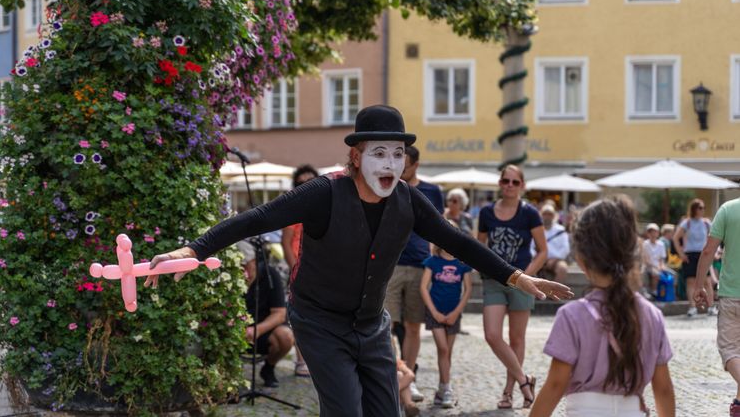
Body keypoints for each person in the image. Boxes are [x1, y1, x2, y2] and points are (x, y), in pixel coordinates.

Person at [145, 105, 573, 417]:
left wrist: (516, 277)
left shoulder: (409, 201)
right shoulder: (324, 193)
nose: (389, 164)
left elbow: (456, 241)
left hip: (370, 324)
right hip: (318, 319)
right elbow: (257, 217)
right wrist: (193, 250)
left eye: (397, 155)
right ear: (356, 156)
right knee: (346, 410)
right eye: (378, 153)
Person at [530, 196, 675, 417]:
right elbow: (663, 389)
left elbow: (555, 385)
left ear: (580, 259)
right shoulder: (652, 315)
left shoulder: (571, 315)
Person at [478, 165, 548, 410]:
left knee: (516, 339)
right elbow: (480, 247)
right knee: (492, 335)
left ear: (522, 186)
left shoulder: (530, 213)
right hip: (494, 280)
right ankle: (524, 379)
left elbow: (543, 250)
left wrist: (525, 277)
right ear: (500, 183)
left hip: (522, 281)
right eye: (505, 181)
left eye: (514, 182)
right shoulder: (486, 212)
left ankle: (508, 393)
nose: (509, 185)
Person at [384, 144, 444, 402]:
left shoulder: (432, 191)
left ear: (416, 165)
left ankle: (409, 378)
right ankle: (392, 377)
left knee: (413, 327)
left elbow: (441, 229)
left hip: (421, 264)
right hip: (391, 265)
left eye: (404, 164)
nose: (399, 169)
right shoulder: (388, 186)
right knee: (387, 325)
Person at [693, 197, 740, 417]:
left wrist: (700, 284)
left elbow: (708, 250)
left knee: (730, 350)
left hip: (732, 295)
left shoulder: (728, 209)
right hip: (731, 295)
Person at [419, 222, 473, 409]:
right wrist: (433, 312)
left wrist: (456, 313)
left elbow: (468, 290)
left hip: (453, 312)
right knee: (442, 349)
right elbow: (423, 287)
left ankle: (442, 390)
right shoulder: (432, 261)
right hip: (435, 311)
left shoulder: (461, 263)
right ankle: (447, 388)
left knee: (447, 353)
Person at [238, 240, 295, 388]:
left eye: (247, 266)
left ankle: (268, 368)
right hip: (234, 330)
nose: (244, 271)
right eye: (239, 266)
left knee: (286, 337)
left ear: (255, 262)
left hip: (261, 331)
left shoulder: (270, 275)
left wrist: (257, 330)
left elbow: (279, 313)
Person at [280, 164, 319, 377]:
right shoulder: (294, 209)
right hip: (299, 269)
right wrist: (296, 269)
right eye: (301, 183)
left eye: (311, 181)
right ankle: (301, 360)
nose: (307, 186)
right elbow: (286, 243)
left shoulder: (324, 207)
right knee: (301, 316)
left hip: (320, 269)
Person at [674, 199, 717, 317]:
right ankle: (692, 307)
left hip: (703, 254)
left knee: (707, 281)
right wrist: (681, 254)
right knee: (690, 281)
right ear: (694, 209)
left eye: (703, 208)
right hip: (690, 254)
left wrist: (715, 252)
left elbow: (715, 238)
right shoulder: (687, 223)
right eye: (700, 208)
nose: (703, 210)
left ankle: (711, 307)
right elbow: (676, 238)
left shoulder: (706, 222)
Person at [535, 203, 570, 283]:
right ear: (541, 215)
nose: (547, 216)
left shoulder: (561, 230)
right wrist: (538, 258)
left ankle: (553, 293)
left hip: (556, 260)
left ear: (554, 216)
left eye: (550, 214)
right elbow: (530, 247)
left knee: (562, 268)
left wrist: (554, 259)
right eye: (545, 214)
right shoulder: (535, 229)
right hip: (537, 259)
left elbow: (565, 248)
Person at [642, 223, 668, 297]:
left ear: (658, 233)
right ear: (648, 233)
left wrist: (662, 266)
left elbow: (662, 258)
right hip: (647, 265)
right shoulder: (645, 244)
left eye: (655, 232)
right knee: (645, 271)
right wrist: (653, 266)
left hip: (657, 265)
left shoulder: (661, 244)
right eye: (651, 232)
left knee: (662, 272)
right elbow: (645, 258)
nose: (653, 234)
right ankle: (648, 290)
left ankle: (655, 291)